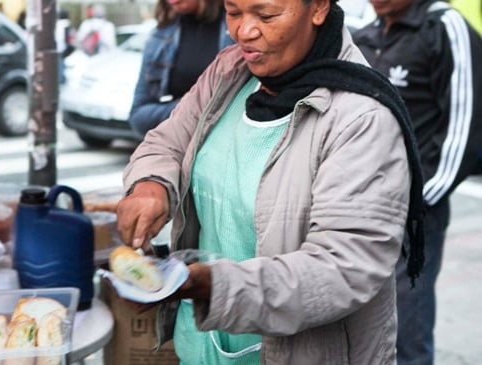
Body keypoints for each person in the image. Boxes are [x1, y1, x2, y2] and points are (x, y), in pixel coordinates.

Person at [115, 0, 428, 362]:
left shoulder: (361, 119)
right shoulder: (229, 72)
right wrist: (150, 185)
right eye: (232, 12)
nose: (243, 31)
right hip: (200, 348)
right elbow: (167, 141)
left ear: (319, 8)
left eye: (266, 15)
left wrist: (208, 285)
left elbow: (342, 268)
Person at [353, 0, 482, 364]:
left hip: (414, 216)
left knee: (406, 333)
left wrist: (417, 203)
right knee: (356, 330)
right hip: (354, 208)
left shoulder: (443, 27)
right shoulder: (367, 32)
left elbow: (464, 127)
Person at [128, 0, 235, 137]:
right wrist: (192, 107)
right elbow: (139, 117)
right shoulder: (159, 37)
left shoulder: (240, 28)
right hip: (180, 147)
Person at [55, 9, 76, 84]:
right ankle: (62, 80)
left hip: (58, 48)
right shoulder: (67, 24)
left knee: (60, 66)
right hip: (65, 48)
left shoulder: (58, 24)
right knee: (62, 66)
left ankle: (61, 80)